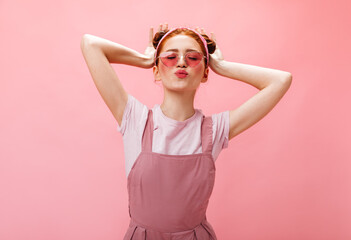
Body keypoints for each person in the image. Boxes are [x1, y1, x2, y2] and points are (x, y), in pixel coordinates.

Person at [80, 23, 292, 240]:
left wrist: (222, 66)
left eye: (193, 58)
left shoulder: (214, 130)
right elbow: (90, 44)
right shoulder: (136, 119)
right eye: (170, 57)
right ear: (156, 70)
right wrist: (143, 59)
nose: (181, 62)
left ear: (205, 73)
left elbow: (281, 80)